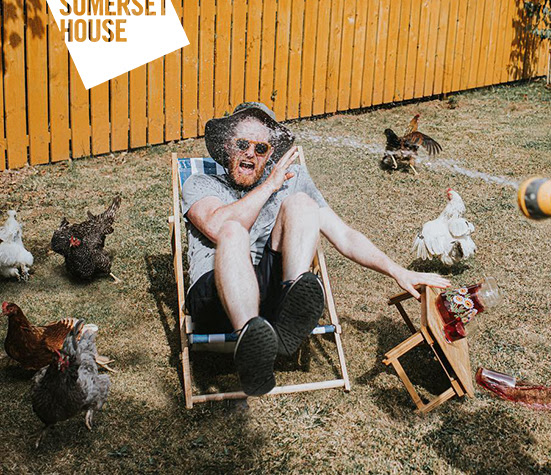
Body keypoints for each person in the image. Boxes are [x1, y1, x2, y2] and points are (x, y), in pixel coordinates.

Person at [182, 102, 450, 396]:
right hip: (217, 294)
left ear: (270, 154)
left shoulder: (290, 179)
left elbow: (344, 235)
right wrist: (269, 186)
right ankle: (251, 346)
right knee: (234, 230)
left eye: (261, 149)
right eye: (243, 144)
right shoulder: (201, 183)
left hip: (268, 293)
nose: (250, 153)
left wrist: (397, 271)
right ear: (226, 146)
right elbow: (217, 226)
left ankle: (290, 308)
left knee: (302, 203)